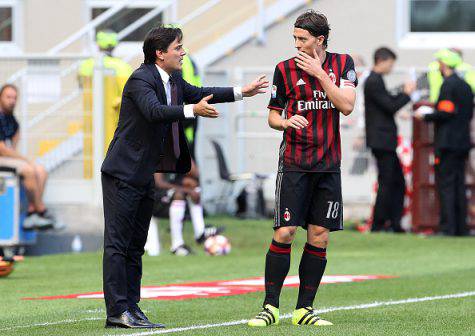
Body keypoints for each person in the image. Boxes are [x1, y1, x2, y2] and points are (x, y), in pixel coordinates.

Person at [100, 25, 268, 329]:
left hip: (143, 174)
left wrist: (242, 91)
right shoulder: (141, 78)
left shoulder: (173, 78)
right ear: (159, 53)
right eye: (178, 47)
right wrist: (193, 110)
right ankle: (116, 311)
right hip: (122, 173)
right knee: (118, 243)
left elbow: (201, 93)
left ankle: (131, 307)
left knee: (136, 244)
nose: (183, 52)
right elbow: (154, 111)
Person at [248, 10, 357, 327]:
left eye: (302, 39)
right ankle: (269, 307)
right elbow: (272, 117)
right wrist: (285, 121)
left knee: (320, 236)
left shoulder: (343, 64)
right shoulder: (283, 69)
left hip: (328, 165)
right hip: (295, 164)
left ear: (319, 40)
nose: (297, 44)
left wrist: (321, 74)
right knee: (285, 231)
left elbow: (347, 106)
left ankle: (303, 310)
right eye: (294, 38)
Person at [415, 49, 474, 236]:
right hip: (462, 142)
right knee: (459, 185)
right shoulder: (465, 86)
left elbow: (446, 112)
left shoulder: (448, 86)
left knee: (446, 186)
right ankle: (461, 227)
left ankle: (448, 227)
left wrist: (426, 116)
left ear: (444, 64)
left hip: (447, 143)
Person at [364, 47, 415, 233]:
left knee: (396, 181)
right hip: (382, 140)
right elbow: (390, 106)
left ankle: (392, 222)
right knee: (388, 182)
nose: (391, 68)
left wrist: (400, 93)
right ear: (382, 61)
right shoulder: (373, 81)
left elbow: (387, 101)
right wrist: (407, 94)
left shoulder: (375, 81)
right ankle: (380, 223)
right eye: (391, 64)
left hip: (383, 140)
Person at [0, 84, 55, 230]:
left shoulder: (13, 122)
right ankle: (41, 210)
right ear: (0, 98)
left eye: (15, 98)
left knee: (41, 170)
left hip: (7, 159)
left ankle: (32, 212)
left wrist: (22, 159)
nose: (12, 101)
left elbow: (12, 147)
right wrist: (24, 160)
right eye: (8, 97)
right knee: (28, 169)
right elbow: (3, 150)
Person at [153, 161, 223, 256]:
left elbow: (195, 173)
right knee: (179, 194)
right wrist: (187, 191)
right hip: (153, 199)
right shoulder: (158, 154)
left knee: (192, 184)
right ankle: (177, 245)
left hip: (168, 197)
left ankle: (200, 232)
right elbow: (159, 183)